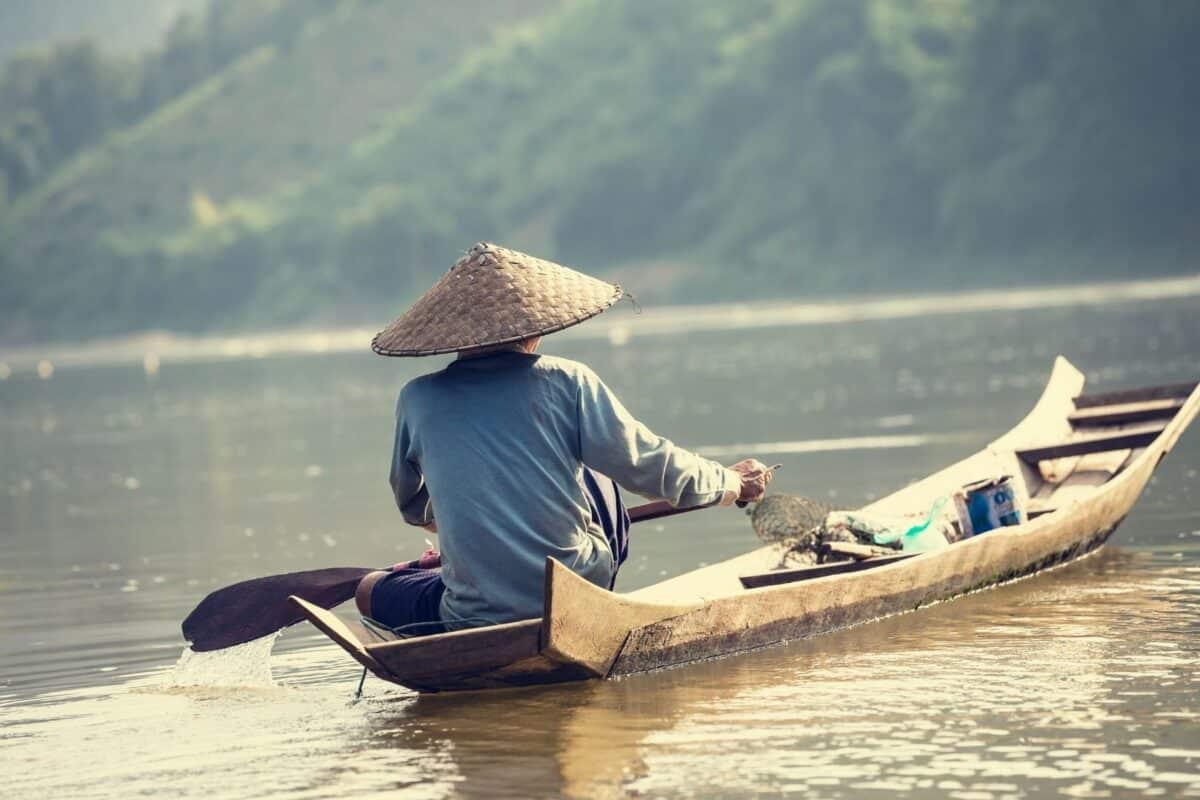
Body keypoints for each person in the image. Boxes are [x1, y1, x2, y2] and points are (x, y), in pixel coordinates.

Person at [356, 242, 772, 634]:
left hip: (471, 613)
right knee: (599, 465)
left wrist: (458, 527)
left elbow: (411, 502)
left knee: (369, 589)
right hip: (575, 587)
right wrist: (729, 483)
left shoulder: (417, 398)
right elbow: (647, 464)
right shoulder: (568, 382)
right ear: (534, 328)